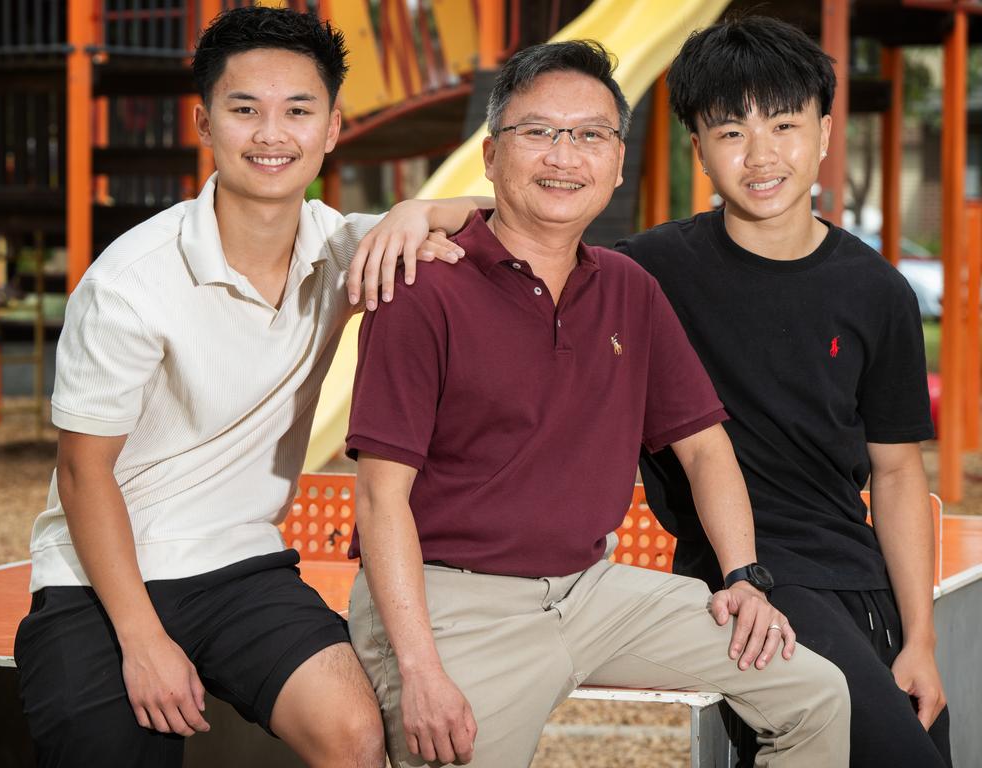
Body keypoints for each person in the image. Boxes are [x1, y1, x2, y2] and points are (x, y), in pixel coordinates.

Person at [345, 39, 851, 768]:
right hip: (452, 604)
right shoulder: (424, 286)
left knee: (816, 696)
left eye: (589, 136)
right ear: (491, 155)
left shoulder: (628, 287)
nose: (564, 155)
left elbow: (706, 448)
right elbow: (379, 499)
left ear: (617, 165)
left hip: (592, 590)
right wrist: (420, 670)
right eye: (539, 133)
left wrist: (744, 578)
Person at [14, 7, 482, 767]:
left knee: (357, 736)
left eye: (298, 110)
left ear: (332, 128)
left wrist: (419, 209)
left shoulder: (345, 247)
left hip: (239, 566)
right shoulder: (132, 282)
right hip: (101, 579)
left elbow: (509, 215)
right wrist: (144, 642)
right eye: (245, 110)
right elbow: (81, 471)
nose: (272, 135)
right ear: (205, 123)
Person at [615, 16, 951, 768]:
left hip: (860, 584)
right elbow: (525, 237)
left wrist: (921, 641)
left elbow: (896, 474)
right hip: (741, 581)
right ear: (697, 150)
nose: (761, 154)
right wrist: (422, 214)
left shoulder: (877, 291)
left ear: (826, 132)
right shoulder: (651, 271)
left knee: (926, 740)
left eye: (785, 124)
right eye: (730, 131)